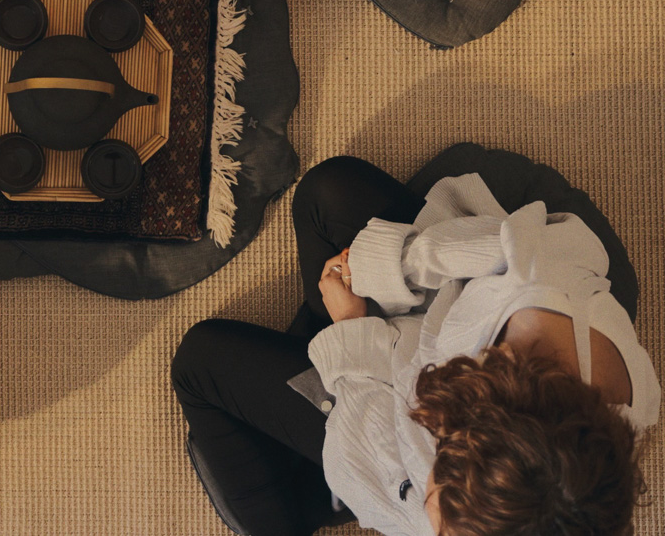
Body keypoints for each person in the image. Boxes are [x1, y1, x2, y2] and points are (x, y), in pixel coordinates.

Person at [170, 155, 660, 536]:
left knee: (199, 361)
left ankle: (302, 506)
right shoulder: (540, 293)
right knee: (326, 191)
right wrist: (382, 269)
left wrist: (350, 325)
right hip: (425, 332)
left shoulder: (451, 501)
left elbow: (367, 456)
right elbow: (479, 250)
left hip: (377, 417)